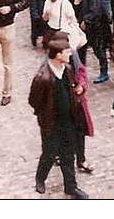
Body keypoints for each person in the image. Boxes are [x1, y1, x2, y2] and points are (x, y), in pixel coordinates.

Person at [27, 36, 89, 199]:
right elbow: (33, 101)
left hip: (68, 120)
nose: (70, 55)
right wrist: (46, 116)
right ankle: (40, 178)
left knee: (68, 154)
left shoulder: (66, 69)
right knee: (49, 153)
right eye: (67, 52)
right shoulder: (43, 77)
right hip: (51, 123)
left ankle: (71, 187)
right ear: (58, 54)